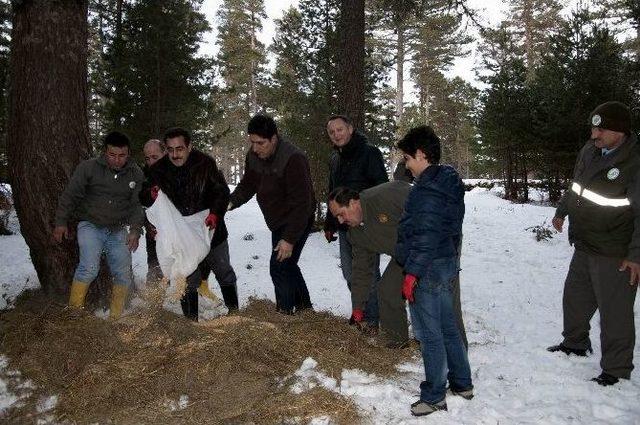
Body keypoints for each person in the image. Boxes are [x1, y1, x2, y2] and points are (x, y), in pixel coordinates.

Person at [548, 101, 640, 386]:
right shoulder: (591, 150)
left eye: (601, 129)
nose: (594, 135)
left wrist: (636, 255)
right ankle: (575, 342)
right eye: (593, 127)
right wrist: (563, 210)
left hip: (615, 250)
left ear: (620, 131)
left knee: (615, 314)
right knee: (575, 297)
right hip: (585, 241)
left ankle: (616, 368)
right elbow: (576, 185)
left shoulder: (635, 160)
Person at [396, 125, 472, 416]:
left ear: (420, 155)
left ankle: (434, 395)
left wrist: (412, 273)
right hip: (445, 263)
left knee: (430, 334)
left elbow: (425, 236)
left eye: (407, 158)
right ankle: (463, 383)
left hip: (427, 267)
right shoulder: (446, 182)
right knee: (447, 325)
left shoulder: (427, 191)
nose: (406, 164)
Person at [140, 127, 238, 320]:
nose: (175, 155)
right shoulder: (159, 169)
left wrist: (216, 214)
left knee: (223, 269)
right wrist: (150, 194)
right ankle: (191, 323)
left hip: (210, 229)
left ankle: (235, 314)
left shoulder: (205, 163)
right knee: (187, 277)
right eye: (170, 150)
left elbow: (221, 191)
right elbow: (143, 195)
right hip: (181, 235)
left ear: (189, 146)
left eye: (180, 149)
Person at [229, 114, 315, 315]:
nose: (256, 148)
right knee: (288, 265)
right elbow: (249, 184)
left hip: (297, 218)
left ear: (274, 139)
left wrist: (289, 239)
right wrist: (231, 202)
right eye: (252, 142)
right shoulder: (254, 156)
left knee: (279, 267)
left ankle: (284, 314)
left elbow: (302, 204)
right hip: (277, 219)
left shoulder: (293, 158)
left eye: (261, 143)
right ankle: (305, 309)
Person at [53, 131, 144, 319]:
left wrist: (135, 230)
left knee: (123, 272)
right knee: (89, 268)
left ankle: (116, 316)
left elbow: (136, 206)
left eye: (122, 155)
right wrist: (61, 222)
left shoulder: (135, 173)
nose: (117, 160)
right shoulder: (88, 168)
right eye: (112, 155)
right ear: (105, 152)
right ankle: (74, 311)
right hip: (90, 225)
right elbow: (70, 196)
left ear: (128, 154)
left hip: (117, 228)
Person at [328, 182, 411, 348]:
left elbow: (425, 206)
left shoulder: (385, 197)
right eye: (337, 217)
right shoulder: (356, 233)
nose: (340, 220)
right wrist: (358, 308)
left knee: (428, 295)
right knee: (387, 290)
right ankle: (397, 344)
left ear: (353, 202)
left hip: (434, 244)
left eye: (341, 214)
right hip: (404, 255)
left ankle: (445, 347)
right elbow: (361, 271)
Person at [324, 115, 388, 326]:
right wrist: (329, 222)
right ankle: (361, 308)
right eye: (332, 132)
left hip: (365, 223)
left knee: (368, 272)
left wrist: (375, 218)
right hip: (344, 225)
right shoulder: (335, 159)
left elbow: (382, 186)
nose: (336, 135)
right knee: (349, 272)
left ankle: (373, 319)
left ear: (350, 129)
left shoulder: (369, 152)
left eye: (340, 129)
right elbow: (332, 194)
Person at [142, 139, 166, 284]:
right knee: (154, 265)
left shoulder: (177, 169)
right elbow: (139, 200)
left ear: (164, 153)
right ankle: (152, 297)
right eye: (147, 158)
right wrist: (150, 194)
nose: (151, 161)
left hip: (177, 231)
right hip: (153, 231)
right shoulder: (143, 174)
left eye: (155, 157)